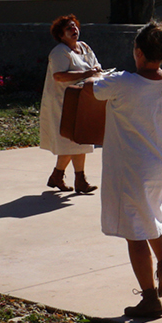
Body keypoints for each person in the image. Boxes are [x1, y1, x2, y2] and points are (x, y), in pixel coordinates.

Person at [89, 21, 162, 320]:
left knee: (134, 231)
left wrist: (94, 75)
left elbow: (93, 91)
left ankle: (149, 297)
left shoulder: (123, 82)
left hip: (132, 166)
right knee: (153, 214)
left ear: (137, 51)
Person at [40, 14, 103, 194]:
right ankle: (78, 180)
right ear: (61, 35)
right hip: (63, 102)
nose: (74, 30)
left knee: (79, 139)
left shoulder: (84, 47)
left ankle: (58, 176)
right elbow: (59, 76)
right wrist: (87, 73)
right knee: (72, 139)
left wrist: (96, 72)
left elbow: (95, 67)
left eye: (75, 26)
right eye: (69, 28)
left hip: (82, 100)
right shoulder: (59, 52)